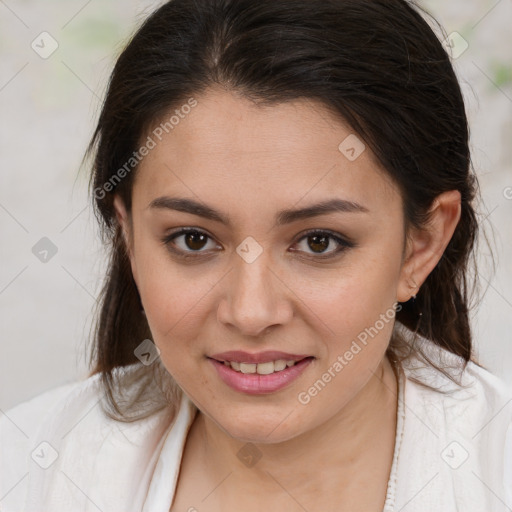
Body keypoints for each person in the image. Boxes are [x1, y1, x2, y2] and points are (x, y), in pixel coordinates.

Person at [1, 0, 511, 511]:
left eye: (319, 242)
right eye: (193, 240)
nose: (250, 313)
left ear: (420, 246)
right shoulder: (24, 468)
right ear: (129, 236)